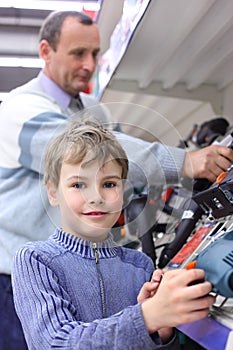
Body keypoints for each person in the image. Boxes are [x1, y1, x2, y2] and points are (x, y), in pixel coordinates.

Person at [0, 10, 232, 350]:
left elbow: (123, 165)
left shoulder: (95, 109)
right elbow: (96, 154)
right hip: (20, 280)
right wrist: (184, 161)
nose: (89, 64)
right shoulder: (19, 109)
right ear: (46, 51)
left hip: (96, 261)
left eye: (95, 53)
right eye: (78, 53)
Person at [12, 121, 215, 349]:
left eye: (108, 184)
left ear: (124, 191)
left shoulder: (140, 265)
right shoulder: (35, 260)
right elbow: (55, 344)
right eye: (78, 185)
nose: (96, 197)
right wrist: (148, 316)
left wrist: (162, 331)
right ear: (52, 192)